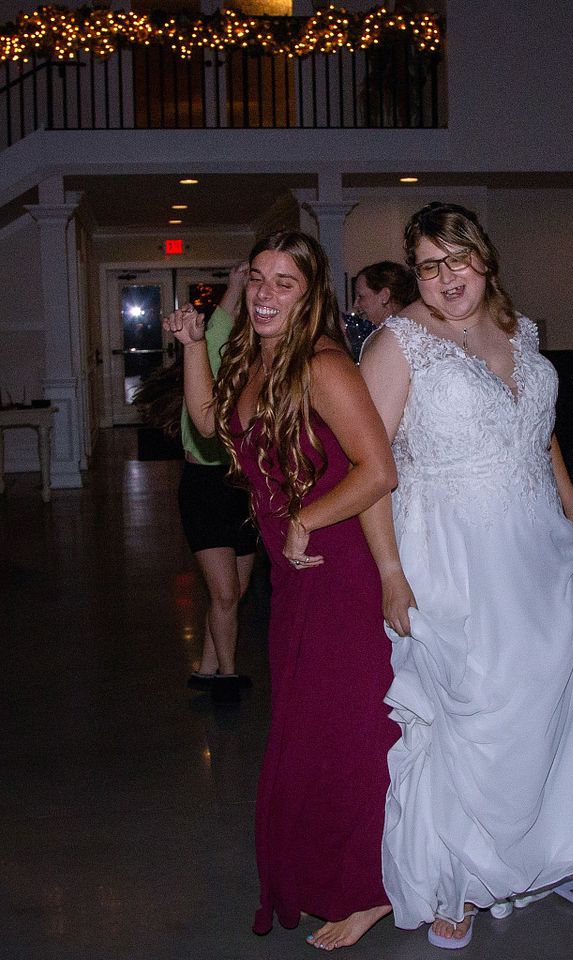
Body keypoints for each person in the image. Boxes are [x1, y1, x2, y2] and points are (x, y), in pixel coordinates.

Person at [358, 202, 573, 949]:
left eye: (459, 260)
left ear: (486, 258)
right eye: (430, 266)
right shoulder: (397, 344)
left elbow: (540, 439)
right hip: (453, 557)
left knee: (560, 716)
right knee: (474, 718)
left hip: (541, 553)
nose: (446, 280)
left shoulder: (521, 332)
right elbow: (371, 473)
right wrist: (390, 573)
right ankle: (460, 880)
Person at [166, 231, 400, 951]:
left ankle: (370, 890)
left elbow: (378, 469)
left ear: (311, 295)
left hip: (338, 570)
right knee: (308, 733)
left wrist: (304, 518)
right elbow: (211, 429)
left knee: (350, 734)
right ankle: (334, 872)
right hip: (293, 576)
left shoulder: (323, 364)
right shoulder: (256, 358)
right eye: (259, 279)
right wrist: (192, 346)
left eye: (284, 283)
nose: (266, 294)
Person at [175, 263, 258, 703]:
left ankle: (206, 668)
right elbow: (219, 315)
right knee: (224, 593)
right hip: (204, 487)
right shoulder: (202, 355)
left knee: (235, 593)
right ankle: (227, 676)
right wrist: (236, 281)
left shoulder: (249, 358)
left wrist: (241, 280)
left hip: (242, 486)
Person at [344, 260, 418, 362]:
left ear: (384, 296)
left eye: (361, 296)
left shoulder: (391, 338)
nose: (355, 304)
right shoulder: (412, 327)